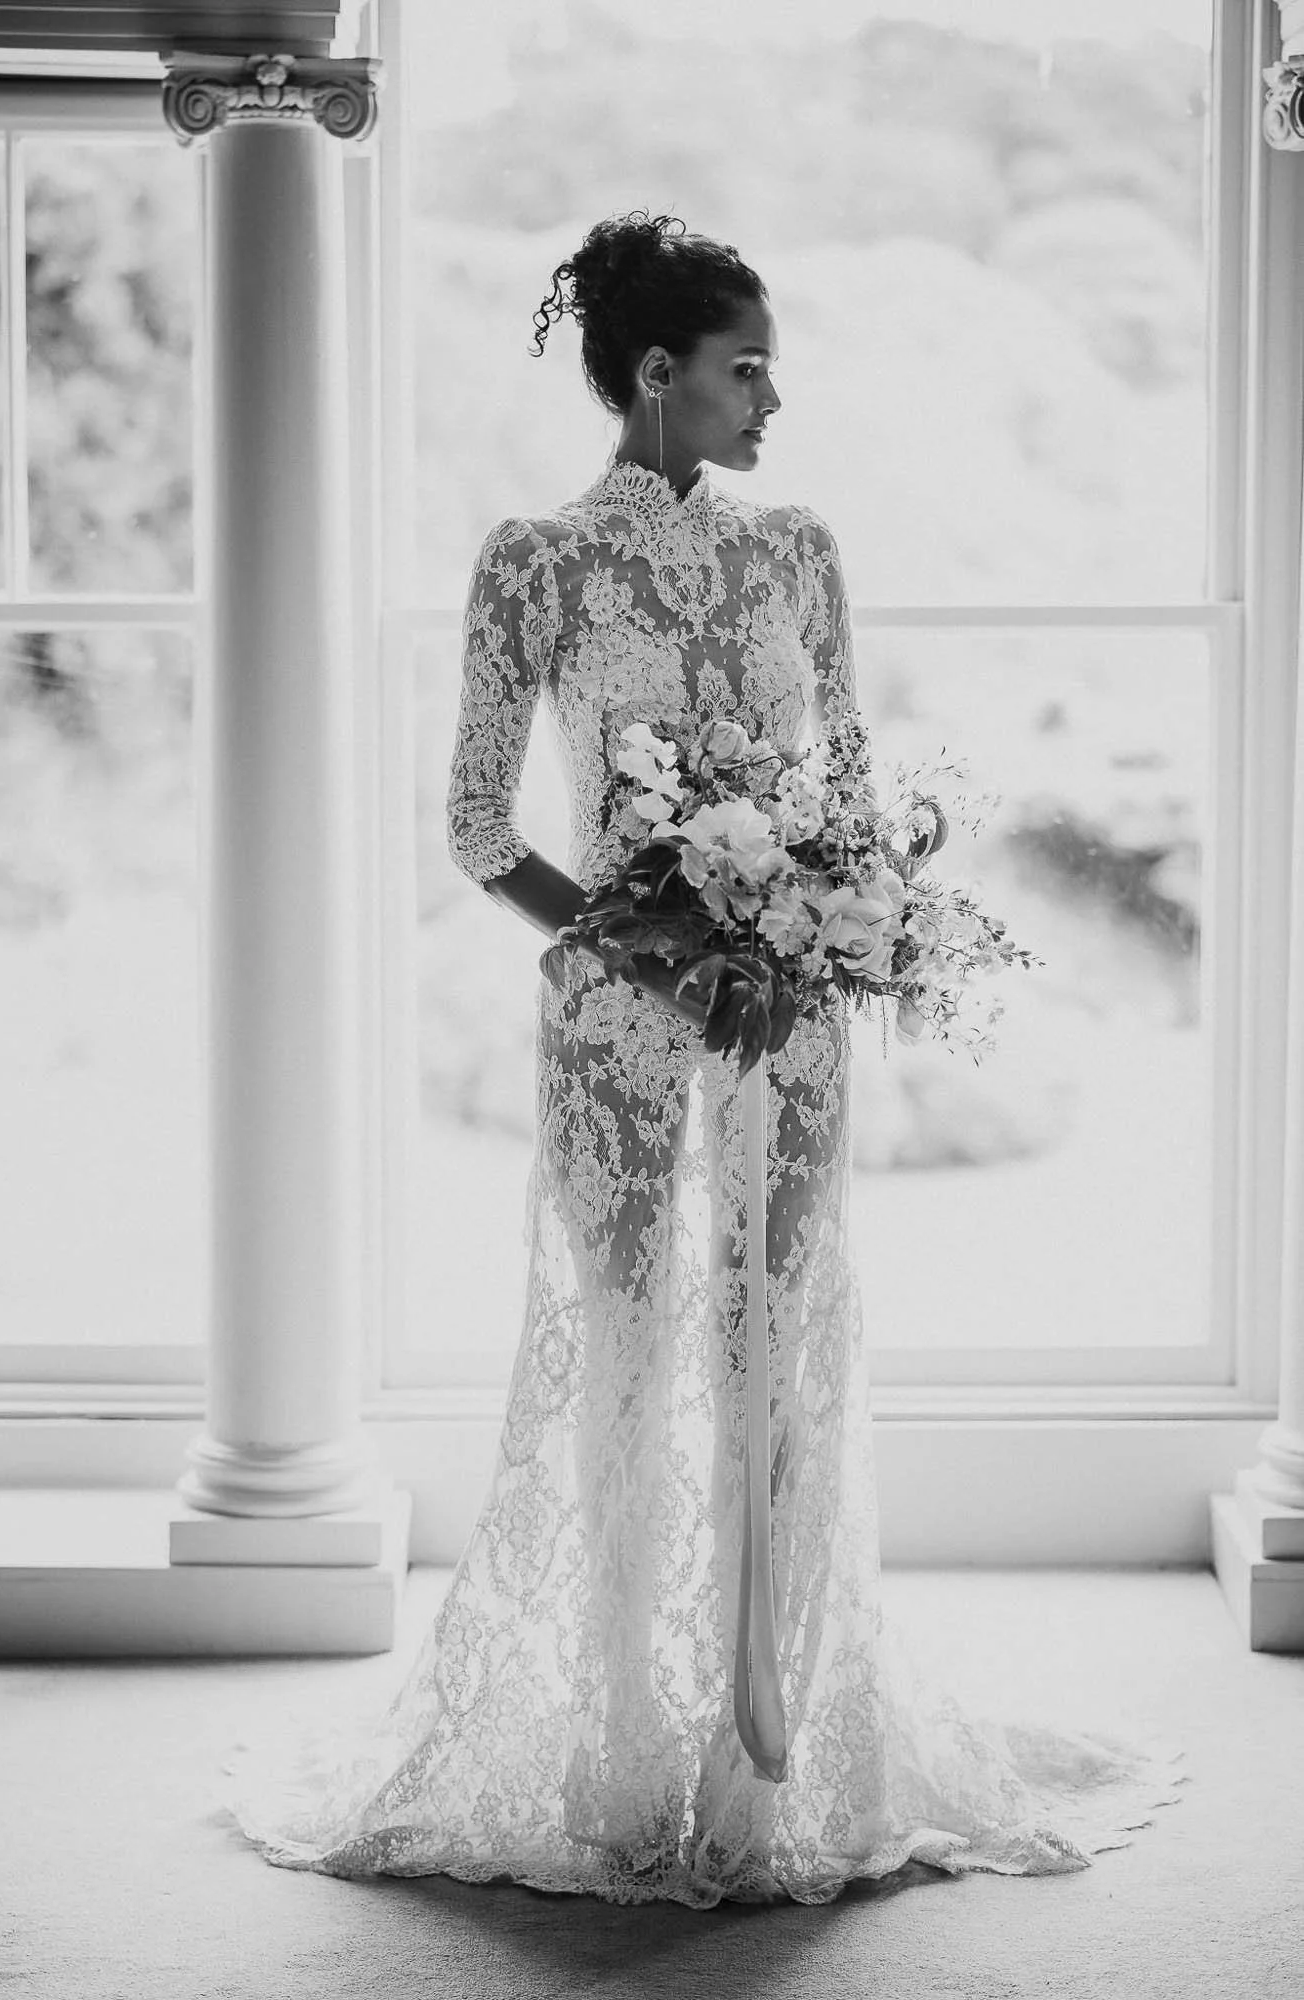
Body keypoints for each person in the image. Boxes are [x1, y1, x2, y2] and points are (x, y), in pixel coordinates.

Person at [222, 210, 1186, 1907]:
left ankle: (774, 1752)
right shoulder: (532, 561)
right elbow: (470, 825)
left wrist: (820, 921)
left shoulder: (802, 548)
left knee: (777, 1354)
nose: (773, 400)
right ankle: (614, 1753)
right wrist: (631, 936)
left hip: (792, 1018)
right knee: (622, 1360)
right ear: (655, 377)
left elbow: (857, 797)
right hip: (615, 1021)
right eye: (748, 368)